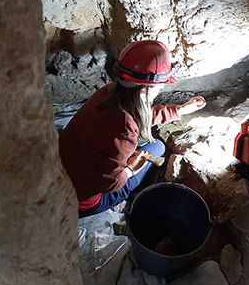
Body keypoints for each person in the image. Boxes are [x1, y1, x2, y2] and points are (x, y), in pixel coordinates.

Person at [59, 40, 206, 218]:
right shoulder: (124, 129)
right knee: (157, 148)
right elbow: (109, 184)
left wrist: (179, 110)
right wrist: (131, 169)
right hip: (78, 202)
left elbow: (140, 114)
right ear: (145, 91)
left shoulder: (108, 93)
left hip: (60, 174)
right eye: (160, 85)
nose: (161, 89)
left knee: (149, 146)